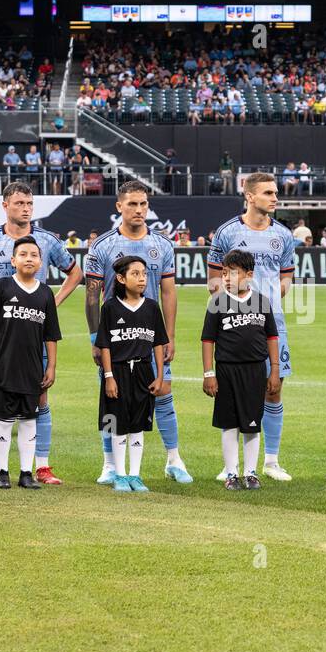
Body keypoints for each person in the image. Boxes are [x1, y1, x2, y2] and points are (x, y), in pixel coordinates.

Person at [0, 182, 82, 485]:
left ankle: (42, 466)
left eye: (29, 203)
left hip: (33, 329)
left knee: (40, 395)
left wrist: (53, 301)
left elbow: (75, 273)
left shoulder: (47, 241)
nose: (25, 208)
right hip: (0, 332)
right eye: (19, 203)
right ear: (5, 206)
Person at [86, 181, 189, 484]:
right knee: (113, 398)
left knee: (163, 393)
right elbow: (93, 294)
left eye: (143, 204)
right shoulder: (102, 245)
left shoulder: (162, 244)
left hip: (148, 335)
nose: (139, 210)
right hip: (114, 338)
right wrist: (95, 338)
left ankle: (173, 459)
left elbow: (168, 293)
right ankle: (109, 464)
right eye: (132, 204)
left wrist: (168, 335)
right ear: (119, 206)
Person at [207, 172, 296, 480]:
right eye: (269, 193)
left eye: (275, 193)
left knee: (273, 391)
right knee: (232, 393)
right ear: (250, 196)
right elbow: (214, 276)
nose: (275, 197)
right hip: (233, 324)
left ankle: (270, 461)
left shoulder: (283, 234)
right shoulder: (226, 232)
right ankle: (231, 465)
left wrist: (276, 292)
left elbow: (287, 274)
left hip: (271, 323)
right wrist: (228, 304)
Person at [0, 236, 61, 490]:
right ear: (13, 260)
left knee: (28, 421)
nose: (29, 258)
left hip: (31, 369)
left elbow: (51, 334)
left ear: (41, 262)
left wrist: (51, 366)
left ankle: (26, 473)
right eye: (23, 254)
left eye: (34, 255)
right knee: (3, 420)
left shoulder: (46, 293)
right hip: (4, 366)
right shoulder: (2, 287)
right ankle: (2, 472)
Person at [201, 249, 280, 491]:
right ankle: (231, 473)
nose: (226, 278)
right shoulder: (217, 302)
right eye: (224, 273)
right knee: (229, 423)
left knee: (252, 423)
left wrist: (274, 369)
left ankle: (251, 473)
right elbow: (207, 340)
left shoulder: (261, 301)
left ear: (249, 275)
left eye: (233, 273)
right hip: (226, 371)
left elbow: (272, 336)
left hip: (255, 370)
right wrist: (209, 373)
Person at [96, 255, 170, 493]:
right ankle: (119, 474)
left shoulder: (151, 307)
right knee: (117, 424)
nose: (142, 279)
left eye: (144, 274)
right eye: (135, 274)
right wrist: (108, 376)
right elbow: (105, 345)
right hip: (117, 371)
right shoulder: (109, 307)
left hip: (143, 371)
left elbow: (159, 343)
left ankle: (135, 475)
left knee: (138, 425)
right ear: (121, 278)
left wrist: (159, 376)